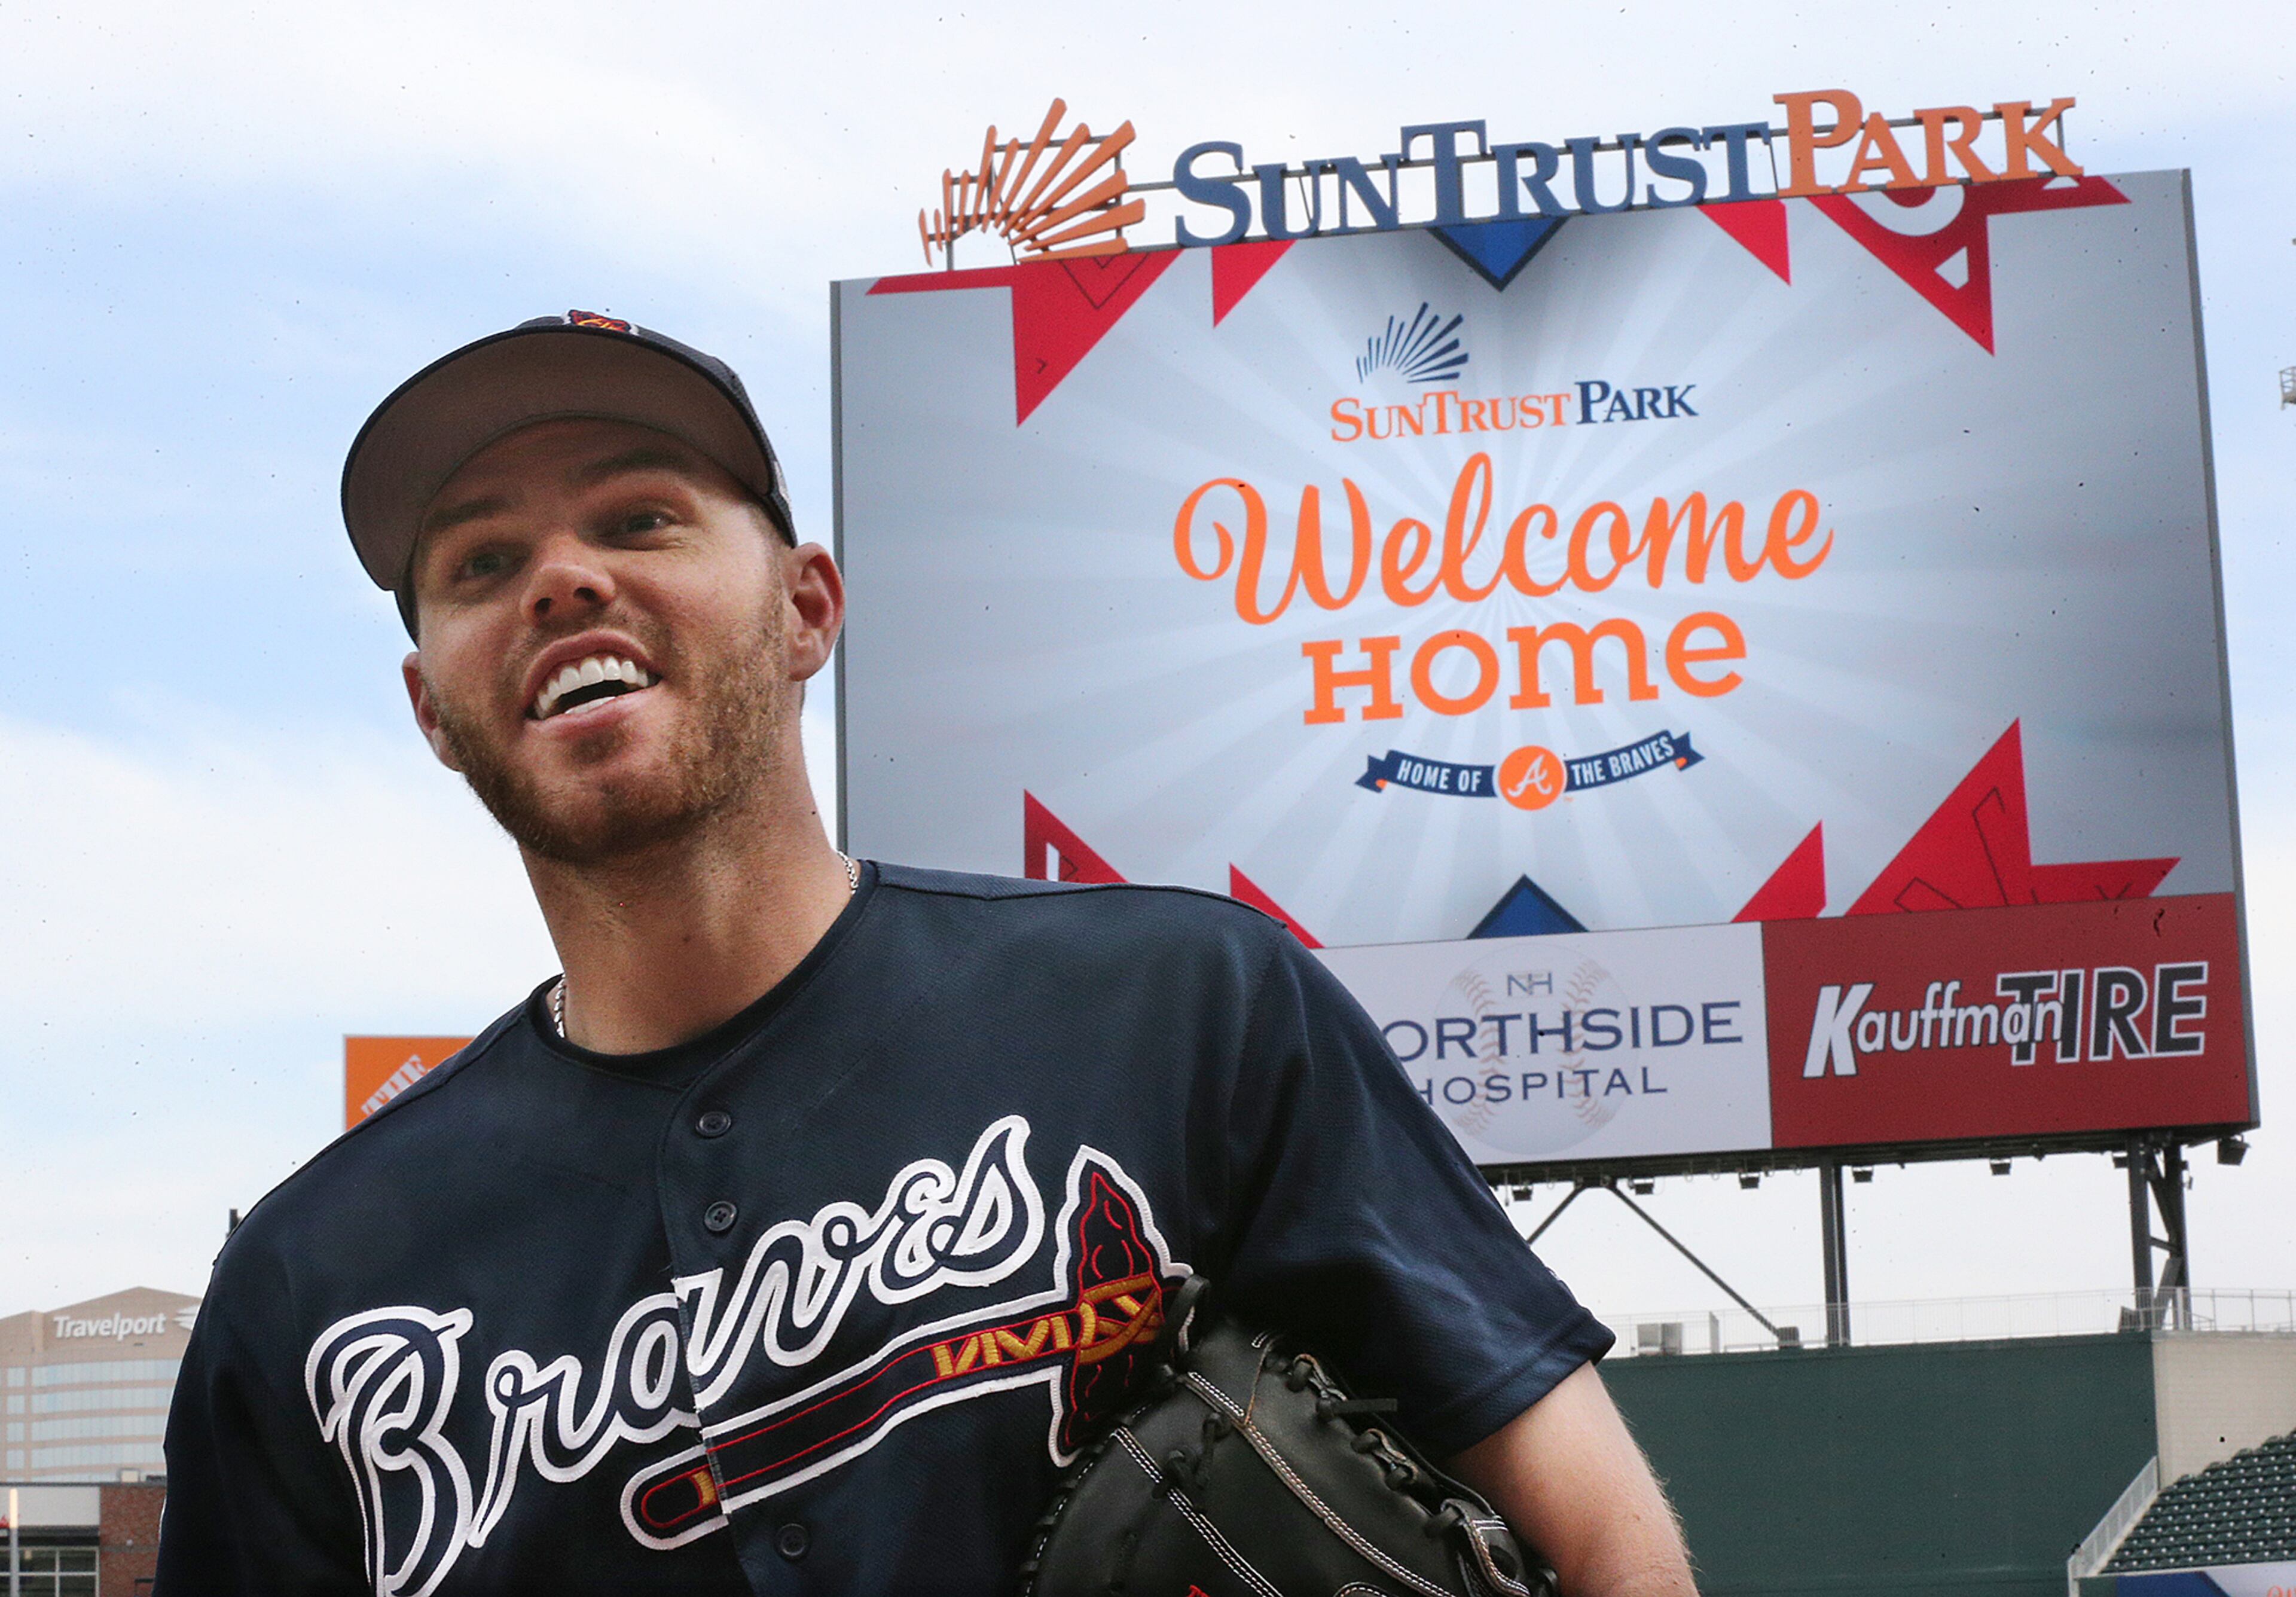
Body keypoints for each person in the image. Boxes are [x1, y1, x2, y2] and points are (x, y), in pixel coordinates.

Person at [155, 313, 1697, 1596]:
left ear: (809, 608)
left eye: (640, 520)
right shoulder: (316, 1290)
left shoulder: (1183, 1010)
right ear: (433, 710)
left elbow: (1603, 1535)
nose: (563, 581)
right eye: (483, 566)